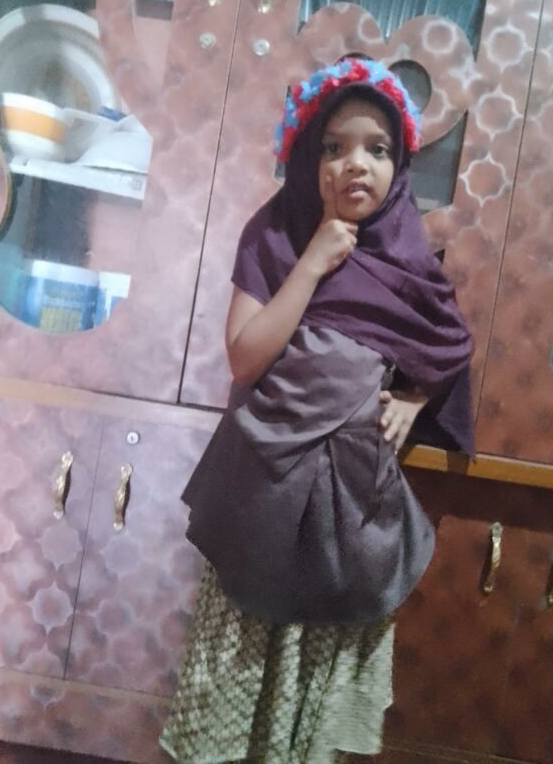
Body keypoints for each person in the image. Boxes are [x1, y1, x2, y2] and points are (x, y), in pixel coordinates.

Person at [160, 58, 474, 763]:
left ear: (400, 165)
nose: (355, 164)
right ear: (307, 156)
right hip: (261, 487)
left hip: (351, 504)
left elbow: (448, 343)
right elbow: (245, 359)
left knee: (311, 691)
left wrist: (416, 397)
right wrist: (312, 261)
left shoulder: (410, 259)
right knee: (242, 663)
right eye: (334, 147)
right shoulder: (273, 235)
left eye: (377, 148)